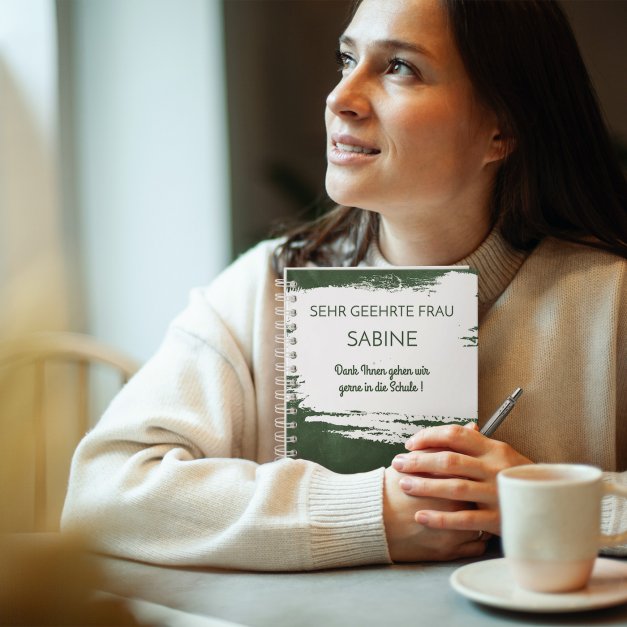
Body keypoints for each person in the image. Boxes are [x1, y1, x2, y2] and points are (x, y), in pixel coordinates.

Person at [62, 0, 627, 570]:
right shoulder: (267, 286)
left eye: (400, 67)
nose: (339, 98)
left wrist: (541, 498)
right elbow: (101, 493)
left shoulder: (611, 298)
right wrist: (367, 512)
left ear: (502, 130)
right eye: (347, 58)